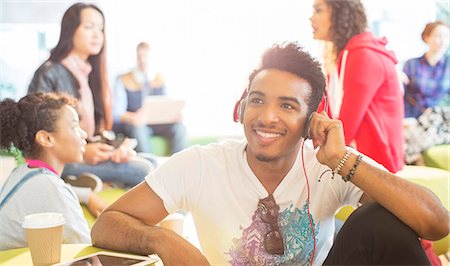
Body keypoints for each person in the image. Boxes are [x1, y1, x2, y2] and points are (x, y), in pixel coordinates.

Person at [90, 43, 448, 265]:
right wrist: (164, 240)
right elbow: (107, 223)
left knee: (377, 222)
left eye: (287, 105)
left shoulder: (327, 166)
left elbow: (436, 222)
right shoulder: (199, 164)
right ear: (241, 106)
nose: (267, 116)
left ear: (311, 119)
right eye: (257, 100)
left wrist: (343, 159)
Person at [28, 3, 154, 189]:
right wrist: (84, 150)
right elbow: (37, 135)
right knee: (144, 169)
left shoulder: (90, 73)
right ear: (70, 30)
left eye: (100, 29)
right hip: (64, 159)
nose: (97, 34)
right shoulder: (49, 73)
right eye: (89, 27)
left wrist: (114, 148)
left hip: (85, 152)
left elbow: (92, 132)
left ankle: (94, 187)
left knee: (153, 161)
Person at [309, 0, 404, 173]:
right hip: (362, 159)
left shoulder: (362, 55)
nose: (311, 17)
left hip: (375, 167)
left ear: (340, 14)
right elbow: (327, 109)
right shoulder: (346, 54)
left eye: (318, 10)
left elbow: (345, 128)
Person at [0, 92, 91, 250]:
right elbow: (87, 252)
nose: (84, 134)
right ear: (46, 138)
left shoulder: (22, 173)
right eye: (74, 127)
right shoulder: (50, 187)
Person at [113, 42, 188, 154]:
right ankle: (150, 166)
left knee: (180, 128)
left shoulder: (160, 79)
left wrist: (175, 115)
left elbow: (167, 104)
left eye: (146, 56)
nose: (143, 60)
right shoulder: (123, 80)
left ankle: (180, 164)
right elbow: (117, 113)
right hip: (137, 123)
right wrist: (133, 117)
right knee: (139, 129)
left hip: (158, 123)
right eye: (139, 57)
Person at [403, 20, 450, 119]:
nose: (443, 40)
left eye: (446, 36)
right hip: (411, 120)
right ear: (426, 38)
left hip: (437, 121)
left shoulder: (448, 66)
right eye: (438, 36)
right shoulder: (411, 64)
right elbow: (400, 95)